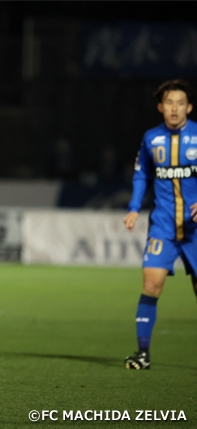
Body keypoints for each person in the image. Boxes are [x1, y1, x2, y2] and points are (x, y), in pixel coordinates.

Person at [124, 79, 197, 370]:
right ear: (160, 107)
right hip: (164, 227)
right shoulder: (151, 138)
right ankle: (143, 353)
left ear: (189, 107)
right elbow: (142, 174)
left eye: (180, 103)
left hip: (195, 229)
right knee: (150, 285)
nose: (174, 108)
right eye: (169, 103)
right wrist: (133, 208)